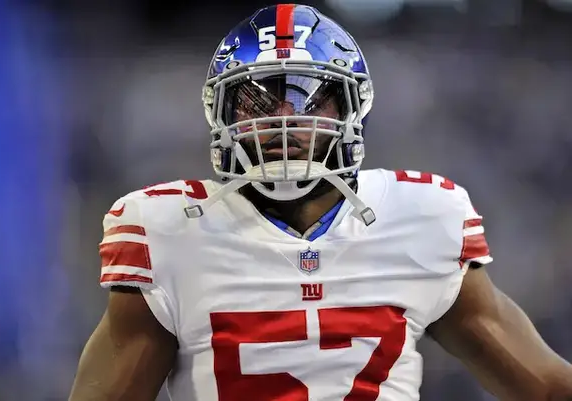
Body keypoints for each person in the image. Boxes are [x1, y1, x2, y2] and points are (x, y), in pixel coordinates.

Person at [68, 4, 572, 401]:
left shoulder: (423, 218)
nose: (285, 118)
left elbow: (545, 386)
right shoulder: (169, 233)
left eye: (311, 97)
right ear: (221, 115)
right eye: (258, 100)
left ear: (353, 109)